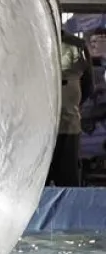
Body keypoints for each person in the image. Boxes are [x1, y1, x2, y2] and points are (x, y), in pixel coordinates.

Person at [47, 30, 94, 187]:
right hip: (61, 125)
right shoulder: (77, 46)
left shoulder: (76, 46)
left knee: (62, 179)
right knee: (66, 178)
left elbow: (88, 85)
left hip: (59, 125)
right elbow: (88, 86)